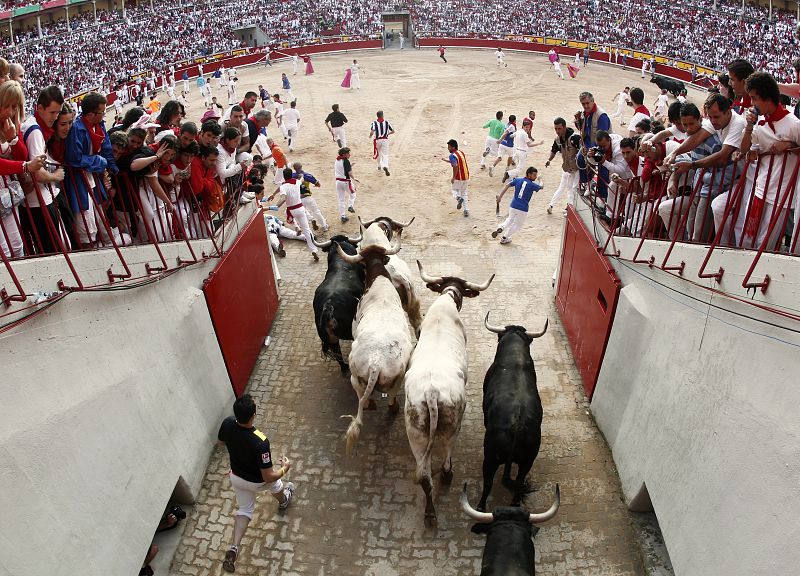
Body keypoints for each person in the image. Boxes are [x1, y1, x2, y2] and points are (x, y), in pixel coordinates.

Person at [218, 394, 295, 574]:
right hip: (258, 483)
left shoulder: (228, 422)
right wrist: (285, 468)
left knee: (245, 509)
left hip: (236, 477)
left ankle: (234, 547)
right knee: (276, 483)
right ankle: (284, 500)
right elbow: (268, 476)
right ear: (253, 415)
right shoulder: (260, 441)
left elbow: (220, 442)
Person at [65, 91, 119, 248]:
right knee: (86, 223)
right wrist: (99, 161)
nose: (104, 114)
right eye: (102, 112)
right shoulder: (77, 129)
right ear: (90, 114)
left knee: (101, 219)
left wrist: (111, 166)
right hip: (78, 180)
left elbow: (107, 147)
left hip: (93, 177)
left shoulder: (99, 125)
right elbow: (74, 159)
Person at [19, 85, 67, 254]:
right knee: (52, 248)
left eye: (57, 112)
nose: (55, 117)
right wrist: (56, 176)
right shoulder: (35, 132)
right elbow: (38, 174)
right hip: (39, 201)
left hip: (33, 201)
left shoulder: (31, 125)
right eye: (52, 112)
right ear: (40, 108)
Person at [268, 167, 319, 261]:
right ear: (291, 175)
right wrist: (302, 175)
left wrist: (276, 205)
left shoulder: (283, 186)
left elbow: (283, 197)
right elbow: (302, 179)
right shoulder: (296, 182)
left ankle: (296, 227)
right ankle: (314, 250)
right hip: (300, 208)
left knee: (288, 216)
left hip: (291, 210)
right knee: (307, 230)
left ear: (283, 176)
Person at [574, 92, 611, 201]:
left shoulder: (601, 116)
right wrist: (578, 121)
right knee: (580, 158)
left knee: (603, 170)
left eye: (587, 103)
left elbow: (603, 138)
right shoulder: (584, 113)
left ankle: (603, 197)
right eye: (583, 104)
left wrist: (592, 150)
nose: (585, 106)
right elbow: (583, 130)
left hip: (602, 147)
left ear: (593, 101)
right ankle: (588, 182)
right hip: (588, 145)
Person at [492, 167, 543, 244]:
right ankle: (504, 237)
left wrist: (500, 197)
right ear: (529, 175)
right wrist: (540, 179)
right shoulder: (532, 185)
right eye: (534, 175)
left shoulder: (518, 179)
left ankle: (501, 227)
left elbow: (507, 185)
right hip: (523, 208)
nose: (535, 177)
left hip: (513, 205)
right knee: (518, 224)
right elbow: (541, 186)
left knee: (509, 219)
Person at [545, 117, 580, 215]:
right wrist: (549, 160)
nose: (557, 131)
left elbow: (582, 151)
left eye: (559, 129)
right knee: (565, 188)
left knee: (572, 189)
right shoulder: (558, 139)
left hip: (576, 170)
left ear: (564, 127)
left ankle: (568, 208)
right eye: (555, 129)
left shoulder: (574, 138)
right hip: (566, 169)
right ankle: (551, 205)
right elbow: (554, 150)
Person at [292, 161, 328, 232]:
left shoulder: (292, 176)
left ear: (294, 168)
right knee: (316, 211)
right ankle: (324, 226)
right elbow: (318, 184)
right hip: (307, 197)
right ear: (301, 166)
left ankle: (311, 219)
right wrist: (316, 185)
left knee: (303, 213)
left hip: (298, 199)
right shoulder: (307, 175)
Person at [442, 139, 470, 217]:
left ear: (453, 147)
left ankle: (458, 198)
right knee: (464, 193)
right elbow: (456, 162)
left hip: (458, 177)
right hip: (466, 176)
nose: (448, 149)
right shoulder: (461, 153)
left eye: (449, 147)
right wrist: (446, 160)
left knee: (454, 190)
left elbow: (455, 165)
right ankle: (466, 210)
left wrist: (453, 177)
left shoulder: (452, 155)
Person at [334, 147, 357, 222]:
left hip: (338, 182)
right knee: (353, 194)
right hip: (346, 182)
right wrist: (354, 178)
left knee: (341, 199)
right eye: (348, 153)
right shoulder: (346, 161)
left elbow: (342, 169)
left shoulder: (337, 160)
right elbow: (349, 173)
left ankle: (343, 216)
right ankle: (350, 206)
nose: (349, 154)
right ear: (344, 154)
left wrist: (350, 166)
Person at [370, 110, 394, 176]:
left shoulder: (374, 123)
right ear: (382, 115)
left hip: (377, 140)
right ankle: (385, 166)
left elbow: (372, 132)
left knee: (378, 153)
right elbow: (393, 131)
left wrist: (370, 136)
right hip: (385, 140)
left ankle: (379, 165)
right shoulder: (387, 122)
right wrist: (387, 134)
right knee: (385, 154)